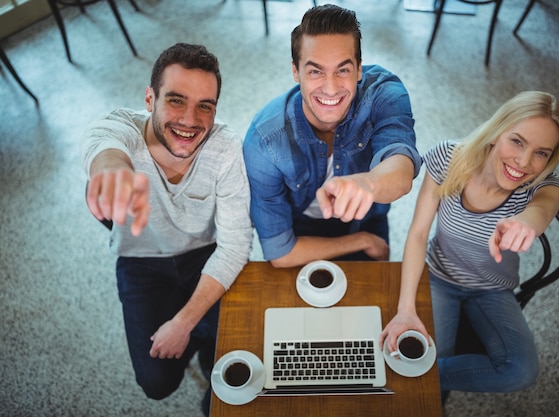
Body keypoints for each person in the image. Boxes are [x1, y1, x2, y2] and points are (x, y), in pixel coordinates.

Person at [81, 43, 253, 413]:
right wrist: (111, 170)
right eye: (176, 100)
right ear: (149, 98)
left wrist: (182, 322)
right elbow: (104, 146)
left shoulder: (225, 148)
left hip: (205, 254)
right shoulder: (121, 128)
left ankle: (205, 343)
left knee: (237, 346)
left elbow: (237, 245)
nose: (190, 120)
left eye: (204, 105)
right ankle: (205, 332)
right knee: (157, 383)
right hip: (141, 263)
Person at [380, 91, 559, 395]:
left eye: (541, 152)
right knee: (424, 349)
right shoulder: (447, 158)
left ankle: (419, 380)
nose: (524, 162)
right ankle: (422, 381)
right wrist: (405, 309)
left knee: (521, 369)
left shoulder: (541, 185)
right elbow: (417, 234)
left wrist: (527, 222)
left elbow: (544, 208)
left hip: (493, 289)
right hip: (440, 278)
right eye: (517, 141)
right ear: (496, 132)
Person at [243, 4, 421, 268]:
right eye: (315, 71)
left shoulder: (384, 93)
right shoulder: (264, 142)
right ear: (296, 72)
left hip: (368, 218)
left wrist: (368, 184)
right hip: (302, 232)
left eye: (343, 70)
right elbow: (280, 253)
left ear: (359, 69)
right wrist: (360, 241)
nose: (330, 88)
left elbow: (402, 165)